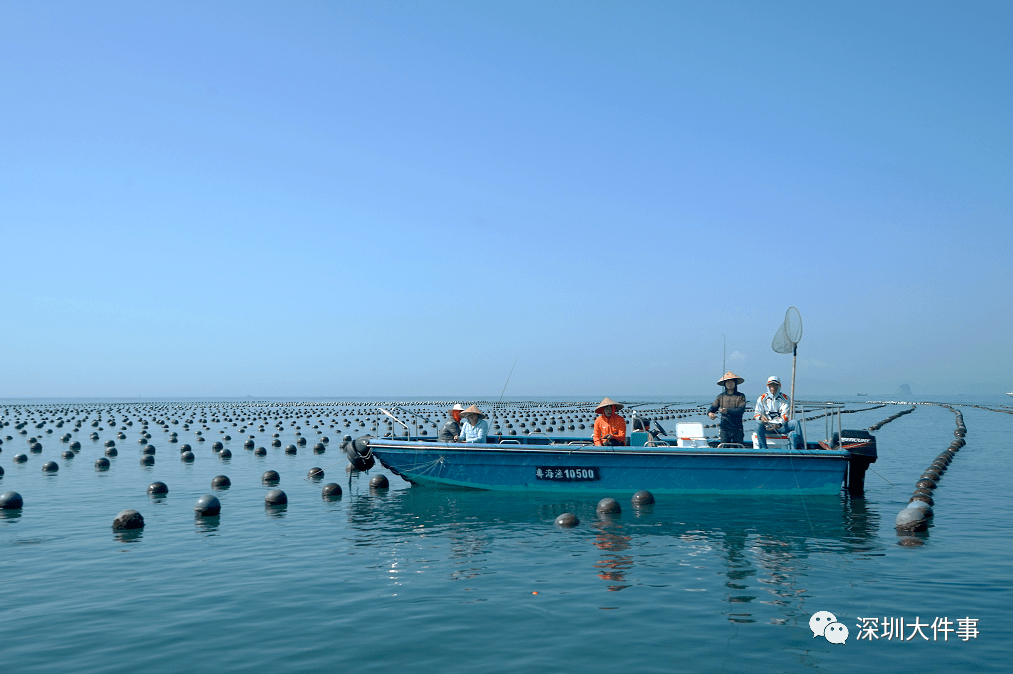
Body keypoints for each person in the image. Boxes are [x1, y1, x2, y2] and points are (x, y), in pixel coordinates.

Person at [754, 376, 803, 449]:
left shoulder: (785, 398)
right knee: (758, 424)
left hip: (781, 426)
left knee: (795, 423)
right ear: (768, 386)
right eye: (771, 385)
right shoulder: (762, 398)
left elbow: (785, 415)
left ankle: (801, 448)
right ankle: (763, 448)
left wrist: (779, 425)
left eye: (775, 385)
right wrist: (761, 418)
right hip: (767, 427)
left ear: (779, 386)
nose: (773, 387)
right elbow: (757, 414)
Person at [707, 372, 747, 445]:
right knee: (724, 446)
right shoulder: (721, 397)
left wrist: (727, 411)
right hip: (724, 428)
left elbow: (741, 410)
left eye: (732, 382)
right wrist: (710, 414)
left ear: (735, 383)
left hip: (737, 428)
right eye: (728, 382)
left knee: (738, 448)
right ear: (725, 384)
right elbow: (713, 408)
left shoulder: (741, 396)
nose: (730, 384)